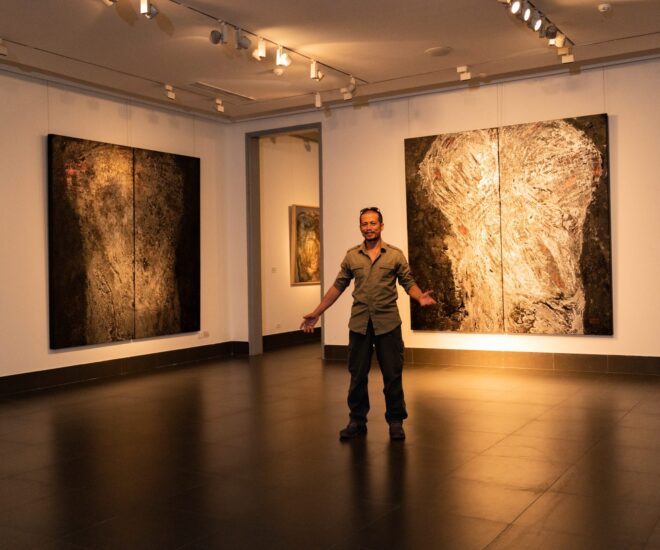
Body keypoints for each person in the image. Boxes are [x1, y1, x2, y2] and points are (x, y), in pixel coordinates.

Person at [300, 207, 436, 441]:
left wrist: (419, 296)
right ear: (360, 227)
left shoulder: (394, 255)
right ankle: (357, 421)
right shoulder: (352, 256)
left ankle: (395, 422)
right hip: (360, 324)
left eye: (373, 223)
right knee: (357, 376)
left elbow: (408, 282)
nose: (369, 227)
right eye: (365, 223)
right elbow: (337, 287)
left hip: (388, 324)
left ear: (381, 226)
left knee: (392, 375)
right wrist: (317, 312)